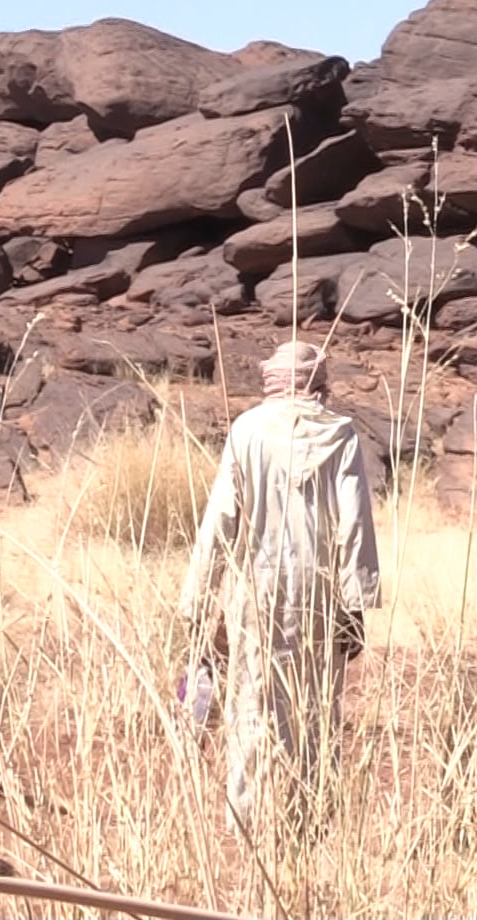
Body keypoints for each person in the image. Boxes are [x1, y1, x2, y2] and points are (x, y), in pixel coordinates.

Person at [177, 340, 381, 831]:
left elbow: (221, 519)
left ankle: (244, 819)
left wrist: (199, 599)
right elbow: (354, 521)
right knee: (315, 704)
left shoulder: (247, 429)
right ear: (317, 379)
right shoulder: (339, 433)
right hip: (320, 590)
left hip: (255, 587)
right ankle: (306, 816)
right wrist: (356, 604)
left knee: (251, 699)